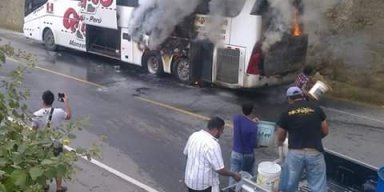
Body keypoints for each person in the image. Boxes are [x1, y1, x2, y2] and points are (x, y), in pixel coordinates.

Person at [276, 86, 329, 192]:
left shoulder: (286, 112)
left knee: (290, 184)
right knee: (318, 186)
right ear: (302, 96)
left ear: (289, 99)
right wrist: (316, 137)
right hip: (315, 152)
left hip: (295, 153)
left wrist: (280, 144)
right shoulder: (316, 108)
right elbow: (325, 130)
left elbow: (281, 135)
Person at [184, 117, 241, 192]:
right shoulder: (213, 145)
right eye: (221, 130)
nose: (222, 133)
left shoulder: (194, 135)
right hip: (203, 187)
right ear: (216, 129)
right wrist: (234, 175)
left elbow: (186, 154)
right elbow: (220, 170)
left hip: (189, 181)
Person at [32, 90, 72, 192]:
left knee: (43, 164)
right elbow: (68, 116)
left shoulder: (36, 114)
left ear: (42, 100)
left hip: (43, 144)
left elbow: (34, 131)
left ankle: (44, 185)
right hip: (56, 144)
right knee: (57, 165)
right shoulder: (58, 112)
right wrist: (66, 102)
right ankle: (59, 187)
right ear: (53, 101)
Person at [228, 104, 258, 187]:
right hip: (248, 155)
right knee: (248, 175)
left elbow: (244, 120)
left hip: (236, 153)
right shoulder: (253, 127)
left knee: (233, 176)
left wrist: (251, 121)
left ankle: (231, 189)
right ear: (252, 111)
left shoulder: (236, 118)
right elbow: (253, 144)